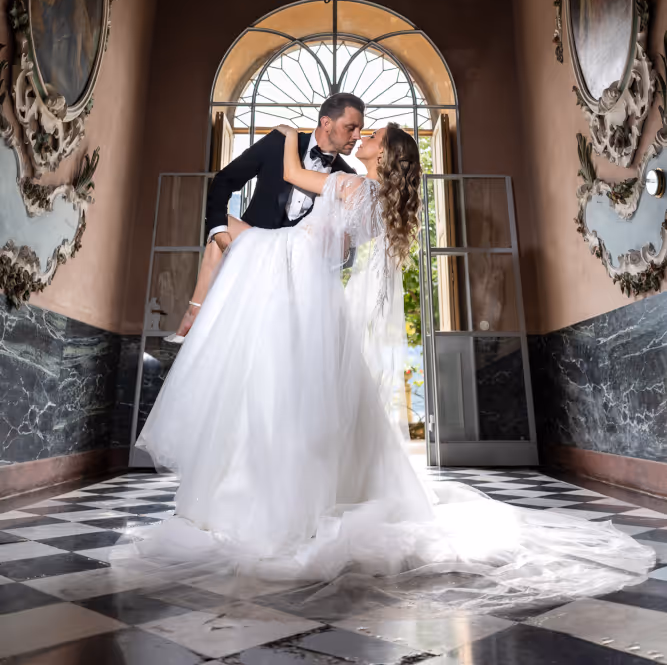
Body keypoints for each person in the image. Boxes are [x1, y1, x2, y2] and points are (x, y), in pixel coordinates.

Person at [132, 123, 654, 616]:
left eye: (373, 135)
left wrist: (288, 136)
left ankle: (204, 344)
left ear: (383, 154)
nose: (363, 137)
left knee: (273, 378)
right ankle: (208, 329)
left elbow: (292, 176)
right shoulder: (374, 201)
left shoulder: (349, 186)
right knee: (245, 292)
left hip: (293, 273)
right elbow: (333, 247)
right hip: (308, 286)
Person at [174, 92, 364, 338]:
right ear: (326, 123)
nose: (357, 136)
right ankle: (195, 312)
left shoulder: (346, 177)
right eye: (351, 127)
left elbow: (344, 251)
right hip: (248, 262)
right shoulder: (279, 142)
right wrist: (219, 231)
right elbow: (225, 180)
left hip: (293, 286)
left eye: (360, 129)